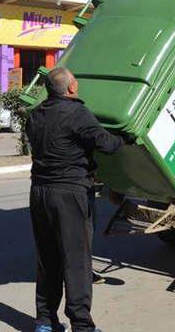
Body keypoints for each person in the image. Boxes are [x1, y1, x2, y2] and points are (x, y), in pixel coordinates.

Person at [26, 67, 124, 332]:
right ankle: (82, 326)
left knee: (48, 259)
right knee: (76, 261)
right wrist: (123, 139)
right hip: (69, 194)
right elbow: (107, 144)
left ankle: (44, 321)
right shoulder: (77, 113)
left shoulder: (34, 115)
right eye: (75, 83)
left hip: (39, 193)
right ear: (70, 88)